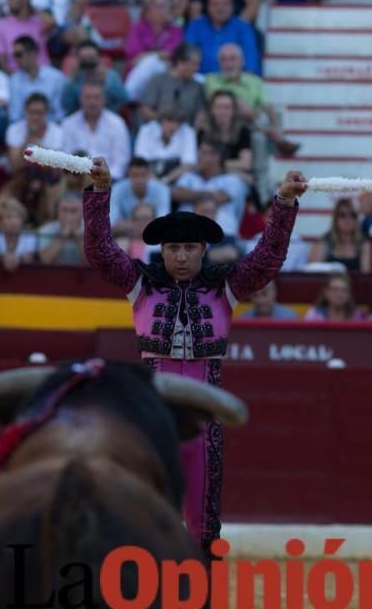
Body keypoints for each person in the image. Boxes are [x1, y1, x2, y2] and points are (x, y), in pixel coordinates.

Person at [82, 154, 305, 555]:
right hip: (153, 417)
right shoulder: (142, 285)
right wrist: (99, 192)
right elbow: (99, 250)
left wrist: (284, 204)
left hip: (203, 422)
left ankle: (194, 604)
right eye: (173, 248)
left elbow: (268, 257)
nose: (181, 257)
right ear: (162, 252)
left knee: (203, 524)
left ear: (203, 251)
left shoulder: (225, 288)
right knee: (149, 513)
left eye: (189, 248)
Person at [203, 43, 298, 157]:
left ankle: (275, 135)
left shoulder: (254, 81)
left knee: (262, 125)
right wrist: (251, 112)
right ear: (219, 63)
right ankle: (277, 139)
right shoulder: (211, 80)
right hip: (224, 123)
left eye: (232, 59)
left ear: (242, 61)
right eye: (223, 60)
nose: (228, 64)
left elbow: (267, 106)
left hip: (250, 123)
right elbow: (223, 101)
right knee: (232, 103)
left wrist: (275, 126)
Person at [61, 81, 131, 179]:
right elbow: (66, 157)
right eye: (88, 97)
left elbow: (122, 161)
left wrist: (104, 178)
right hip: (77, 181)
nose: (92, 102)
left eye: (96, 97)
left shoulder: (117, 123)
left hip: (110, 180)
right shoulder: (68, 124)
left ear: (104, 100)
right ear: (80, 99)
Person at [184, 0, 260, 75]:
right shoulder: (195, 26)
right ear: (207, 7)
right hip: (200, 81)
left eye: (226, 4)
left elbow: (251, 62)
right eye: (215, 4)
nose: (220, 8)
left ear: (233, 6)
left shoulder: (243, 28)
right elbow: (187, 56)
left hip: (234, 81)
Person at [124, 0, 184, 102]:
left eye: (164, 6)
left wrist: (148, 56)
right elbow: (133, 53)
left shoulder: (175, 30)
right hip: (138, 72)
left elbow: (172, 53)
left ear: (170, 10)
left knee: (152, 62)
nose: (160, 10)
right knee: (150, 63)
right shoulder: (137, 28)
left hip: (166, 71)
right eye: (156, 5)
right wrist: (157, 56)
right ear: (148, 9)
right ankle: (129, 97)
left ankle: (127, 96)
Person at [195, 89, 253, 184]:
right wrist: (229, 165)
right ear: (212, 109)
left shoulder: (243, 131)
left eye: (227, 107)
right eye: (218, 107)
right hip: (206, 177)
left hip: (232, 178)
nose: (222, 111)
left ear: (234, 110)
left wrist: (215, 164)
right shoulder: (203, 132)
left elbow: (245, 164)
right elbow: (198, 162)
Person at [139, 43, 205, 123]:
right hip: (157, 128)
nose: (197, 68)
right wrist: (165, 122)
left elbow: (201, 112)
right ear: (181, 62)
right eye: (194, 64)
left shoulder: (197, 86)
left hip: (186, 131)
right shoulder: (158, 81)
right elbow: (145, 109)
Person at [60, 41, 129, 115]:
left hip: (108, 118)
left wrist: (106, 82)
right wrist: (71, 80)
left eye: (91, 58)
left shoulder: (111, 76)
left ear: (99, 58)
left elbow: (125, 99)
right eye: (84, 58)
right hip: (80, 120)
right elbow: (66, 105)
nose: (88, 61)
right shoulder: (74, 77)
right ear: (77, 59)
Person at [7, 36, 67, 123]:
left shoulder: (56, 77)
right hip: (26, 129)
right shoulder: (14, 80)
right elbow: (15, 116)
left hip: (52, 127)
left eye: (18, 55)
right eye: (14, 55)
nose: (15, 59)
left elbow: (59, 112)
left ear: (32, 53)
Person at [0, 0, 50, 72]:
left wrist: (31, 8)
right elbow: (2, 62)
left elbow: (52, 22)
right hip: (17, 79)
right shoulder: (1, 26)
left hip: (43, 75)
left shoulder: (38, 22)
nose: (8, 1)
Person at [133, 108, 198, 183]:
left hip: (176, 179)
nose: (174, 126)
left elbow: (188, 165)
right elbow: (141, 163)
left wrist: (166, 180)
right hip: (149, 177)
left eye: (178, 122)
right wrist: (156, 182)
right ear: (161, 121)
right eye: (169, 121)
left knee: (188, 179)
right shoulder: (146, 131)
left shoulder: (188, 132)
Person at [6, 92, 65, 172]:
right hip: (21, 177)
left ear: (46, 112)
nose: (35, 117)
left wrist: (38, 145)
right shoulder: (14, 130)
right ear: (25, 110)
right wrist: (26, 142)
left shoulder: (57, 131)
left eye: (39, 113)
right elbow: (15, 167)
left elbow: (55, 169)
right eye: (31, 112)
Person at [307, 199, 370, 272]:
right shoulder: (323, 243)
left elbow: (366, 276)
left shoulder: (364, 244)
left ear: (356, 218)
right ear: (335, 218)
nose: (348, 219)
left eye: (352, 215)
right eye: (342, 215)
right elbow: (314, 273)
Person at [0, 196, 38, 270]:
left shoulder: (29, 236)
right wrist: (5, 258)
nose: (14, 222)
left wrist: (17, 259)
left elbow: (29, 257)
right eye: (9, 217)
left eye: (17, 217)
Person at [37, 194, 85, 265]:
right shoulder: (46, 229)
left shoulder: (92, 229)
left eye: (73, 210)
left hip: (84, 274)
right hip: (55, 274)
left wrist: (78, 238)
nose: (69, 215)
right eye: (64, 210)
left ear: (82, 212)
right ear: (58, 212)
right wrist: (62, 235)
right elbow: (45, 259)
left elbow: (93, 262)